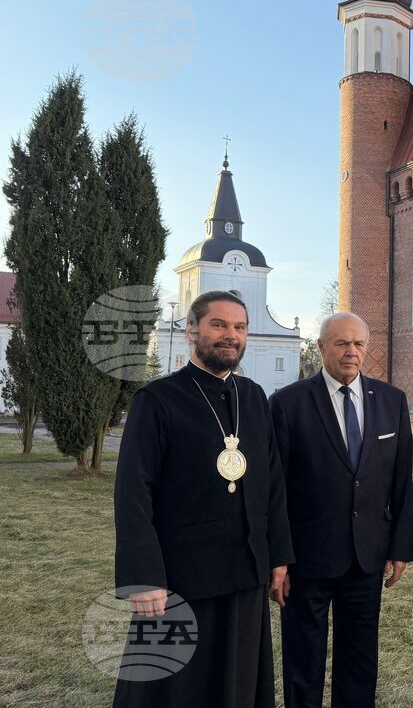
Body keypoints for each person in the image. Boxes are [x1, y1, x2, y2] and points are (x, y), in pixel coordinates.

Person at [113, 290, 294, 708]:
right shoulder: (157, 401)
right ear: (192, 330)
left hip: (245, 570)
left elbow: (272, 483)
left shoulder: (253, 398)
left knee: (237, 684)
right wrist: (145, 576)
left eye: (240, 327)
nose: (231, 335)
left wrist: (278, 558)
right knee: (174, 688)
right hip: (179, 578)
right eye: (219, 325)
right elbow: (133, 494)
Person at [269, 312, 413, 708]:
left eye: (359, 344)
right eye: (341, 343)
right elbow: (275, 490)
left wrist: (401, 547)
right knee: (303, 659)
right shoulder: (287, 403)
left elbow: (401, 480)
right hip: (307, 559)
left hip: (366, 557)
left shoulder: (390, 400)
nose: (352, 352)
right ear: (320, 347)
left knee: (360, 659)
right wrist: (278, 558)